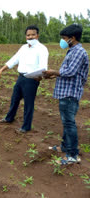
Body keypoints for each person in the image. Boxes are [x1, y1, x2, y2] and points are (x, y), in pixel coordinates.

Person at [43, 24, 89, 165]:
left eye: (64, 38)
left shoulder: (78, 52)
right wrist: (52, 76)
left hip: (70, 93)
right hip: (66, 92)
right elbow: (67, 72)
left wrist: (53, 72)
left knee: (69, 123)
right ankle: (64, 147)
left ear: (72, 38)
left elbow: (70, 72)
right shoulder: (72, 51)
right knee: (66, 122)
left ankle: (72, 155)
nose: (62, 41)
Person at [0, 25, 49, 133]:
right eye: (28, 35)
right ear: (26, 36)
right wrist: (1, 70)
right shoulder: (23, 48)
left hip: (32, 79)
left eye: (33, 34)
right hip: (21, 77)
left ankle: (26, 127)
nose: (30, 37)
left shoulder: (42, 49)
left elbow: (43, 67)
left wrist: (39, 77)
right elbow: (14, 60)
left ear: (37, 36)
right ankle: (9, 118)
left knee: (28, 103)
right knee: (14, 99)